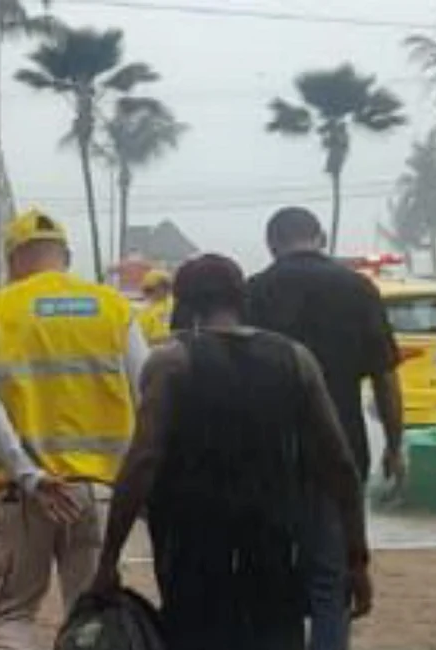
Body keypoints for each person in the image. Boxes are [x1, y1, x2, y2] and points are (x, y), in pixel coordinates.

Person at [86, 254, 373, 650]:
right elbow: (340, 464)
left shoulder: (172, 363)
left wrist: (108, 560)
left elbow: (143, 462)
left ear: (184, 305)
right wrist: (356, 559)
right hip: (275, 546)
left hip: (191, 550)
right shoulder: (295, 359)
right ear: (241, 300)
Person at [0, 208, 149, 650]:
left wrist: (28, 474)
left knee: (11, 617)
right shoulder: (114, 307)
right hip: (99, 494)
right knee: (90, 622)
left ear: (13, 259)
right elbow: (150, 392)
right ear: (66, 256)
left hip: (27, 494)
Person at [246, 207, 403, 650]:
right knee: (331, 580)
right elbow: (385, 377)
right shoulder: (358, 289)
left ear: (272, 243)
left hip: (267, 457)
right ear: (319, 237)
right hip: (340, 454)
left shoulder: (255, 291)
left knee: (274, 576)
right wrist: (395, 443)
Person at [136, 269, 174, 345]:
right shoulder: (149, 306)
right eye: (147, 290)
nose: (149, 292)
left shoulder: (164, 309)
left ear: (165, 288)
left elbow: (160, 339)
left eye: (152, 289)